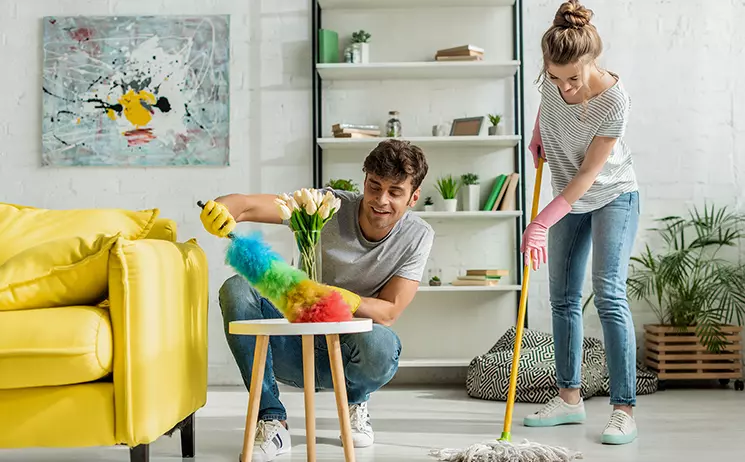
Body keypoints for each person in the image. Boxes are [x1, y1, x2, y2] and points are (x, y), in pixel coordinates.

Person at [200, 139, 434, 461]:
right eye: (374, 186)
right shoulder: (326, 205)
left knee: (383, 345)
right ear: (364, 180)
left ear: (413, 197)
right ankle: (271, 419)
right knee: (237, 287)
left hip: (349, 351)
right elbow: (247, 204)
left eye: (395, 192)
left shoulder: (417, 236)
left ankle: (356, 399)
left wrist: (343, 299)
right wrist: (222, 209)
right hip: (291, 342)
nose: (380, 200)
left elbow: (390, 310)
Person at [519, 0, 640, 446]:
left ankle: (624, 408)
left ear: (592, 61)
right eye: (555, 77)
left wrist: (540, 224)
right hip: (567, 196)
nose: (565, 87)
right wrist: (538, 133)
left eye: (574, 78)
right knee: (563, 297)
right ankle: (569, 399)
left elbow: (588, 175)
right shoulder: (553, 78)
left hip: (611, 197)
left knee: (607, 293)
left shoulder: (614, 101)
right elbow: (548, 105)